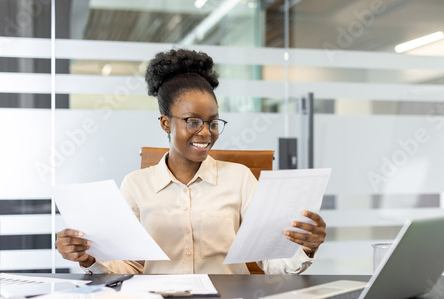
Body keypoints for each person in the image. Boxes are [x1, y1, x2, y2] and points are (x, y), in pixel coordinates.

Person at [56, 49, 326, 274]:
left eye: (212, 122)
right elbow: (131, 266)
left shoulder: (240, 178)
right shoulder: (136, 185)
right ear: (165, 123)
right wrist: (88, 258)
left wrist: (305, 247)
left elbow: (271, 262)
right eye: (193, 121)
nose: (206, 133)